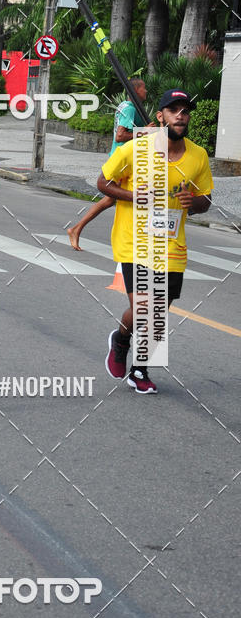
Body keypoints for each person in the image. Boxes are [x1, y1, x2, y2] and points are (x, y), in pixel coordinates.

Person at [99, 89, 213, 394]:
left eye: (185, 111)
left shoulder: (198, 156)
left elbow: (206, 199)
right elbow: (103, 183)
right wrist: (133, 195)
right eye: (173, 110)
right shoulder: (136, 149)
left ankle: (122, 341)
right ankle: (139, 368)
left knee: (158, 311)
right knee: (145, 307)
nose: (180, 115)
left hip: (171, 246)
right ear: (160, 116)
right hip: (133, 242)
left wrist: (195, 202)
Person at [68, 79, 152, 250]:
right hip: (122, 160)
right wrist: (145, 132)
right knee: (122, 198)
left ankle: (76, 229)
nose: (146, 91)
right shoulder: (130, 108)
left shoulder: (124, 105)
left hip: (123, 158)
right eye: (144, 88)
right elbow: (120, 136)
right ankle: (77, 229)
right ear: (135, 90)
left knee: (112, 200)